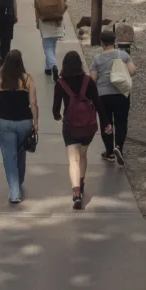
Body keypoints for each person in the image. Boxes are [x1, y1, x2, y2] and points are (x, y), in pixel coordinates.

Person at [0, 49, 38, 205]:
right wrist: (36, 123)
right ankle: (19, 181)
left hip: (5, 121)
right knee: (21, 153)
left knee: (9, 156)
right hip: (24, 122)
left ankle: (14, 192)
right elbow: (33, 103)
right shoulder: (28, 79)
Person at [53, 50, 100, 210]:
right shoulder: (88, 81)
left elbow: (55, 107)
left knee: (73, 159)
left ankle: (77, 193)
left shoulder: (61, 83)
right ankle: (81, 181)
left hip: (70, 126)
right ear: (80, 64)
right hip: (87, 126)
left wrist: (57, 116)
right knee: (83, 155)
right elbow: (98, 103)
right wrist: (107, 123)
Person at [91, 25, 135, 165]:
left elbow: (92, 79)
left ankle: (109, 151)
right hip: (121, 93)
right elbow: (133, 71)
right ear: (115, 41)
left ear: (102, 43)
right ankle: (119, 147)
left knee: (107, 122)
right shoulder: (123, 55)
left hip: (103, 96)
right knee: (121, 121)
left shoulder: (97, 59)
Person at [34, 0, 69, 77]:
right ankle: (48, 68)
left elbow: (36, 7)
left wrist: (37, 21)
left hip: (44, 20)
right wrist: (60, 15)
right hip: (57, 20)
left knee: (47, 45)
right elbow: (66, 5)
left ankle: (53, 65)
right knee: (52, 44)